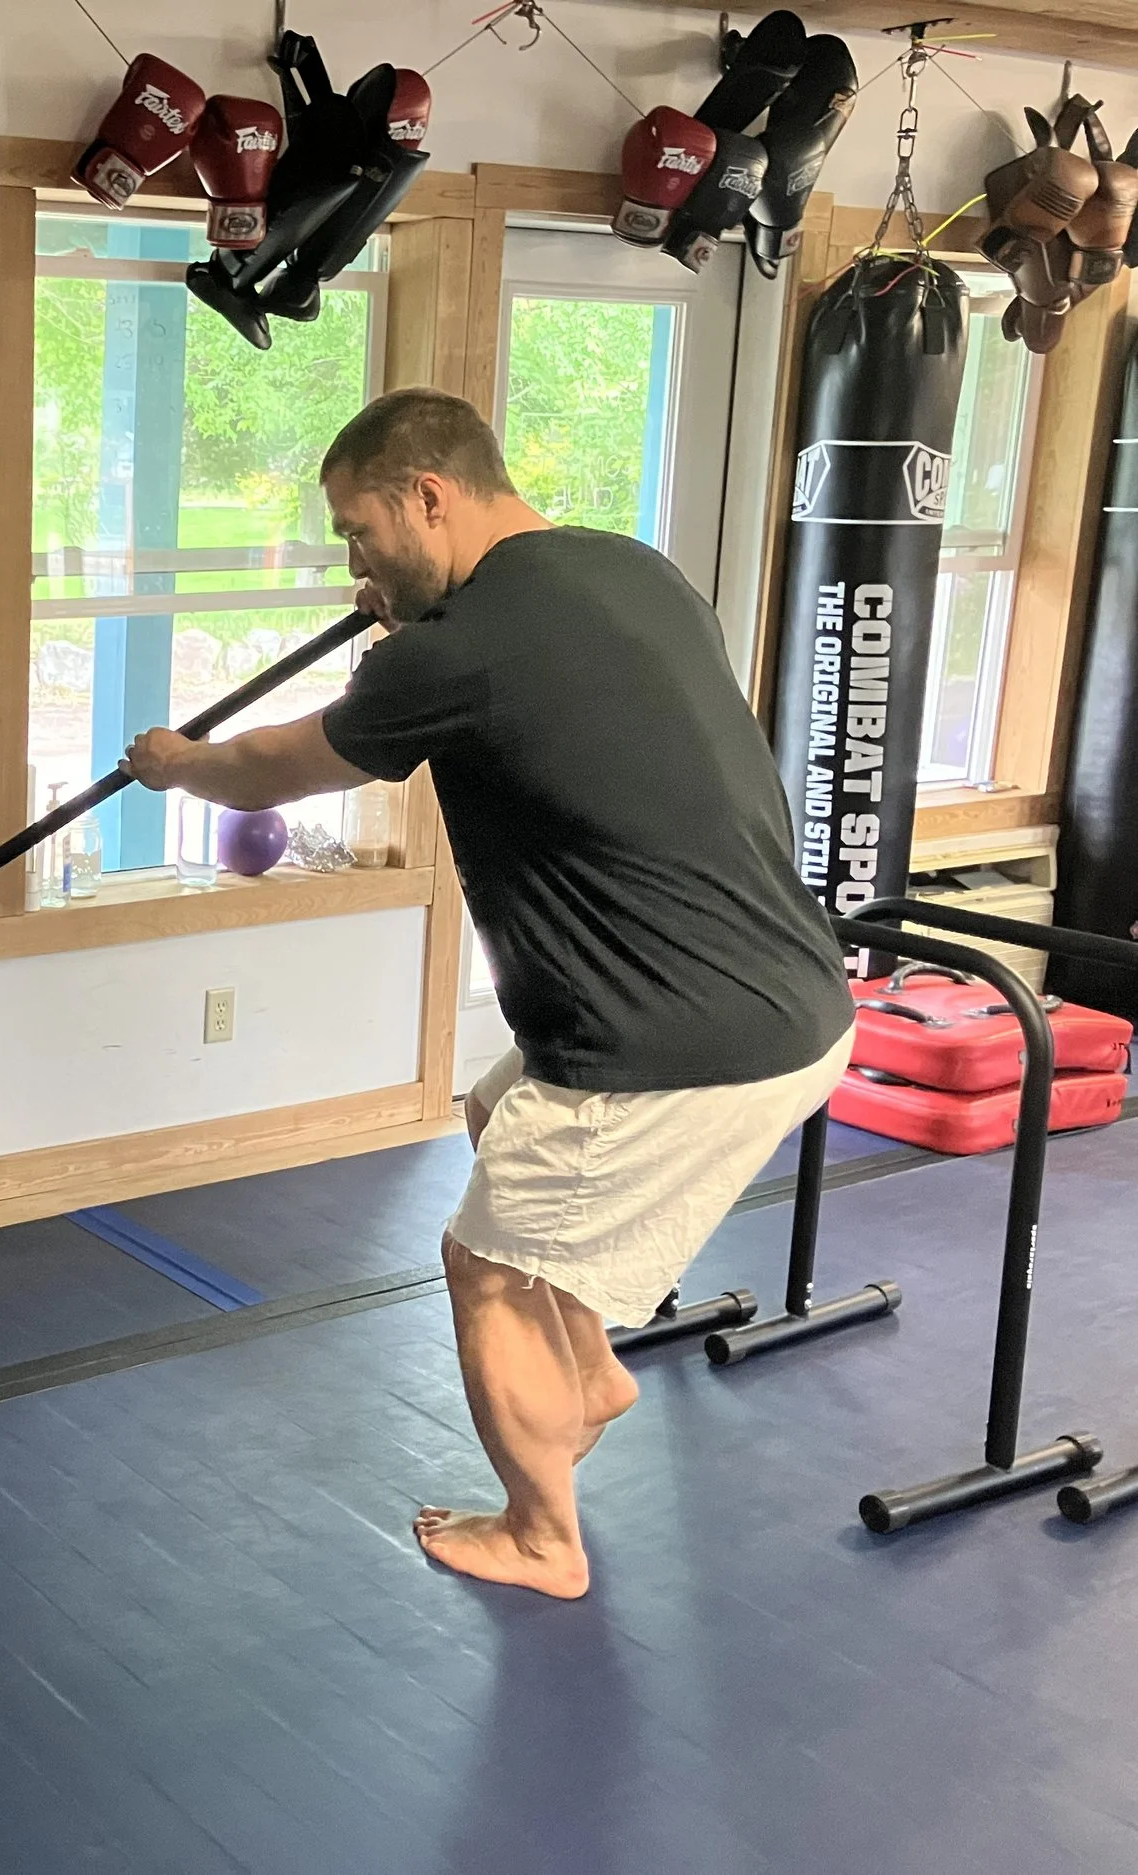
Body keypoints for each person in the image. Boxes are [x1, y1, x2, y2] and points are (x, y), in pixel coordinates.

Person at [128, 389, 854, 1600]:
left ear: (429, 494)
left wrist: (175, 763)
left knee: (484, 1268)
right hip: (790, 995)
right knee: (493, 1110)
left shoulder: (451, 655)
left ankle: (541, 1538)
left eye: (362, 533)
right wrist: (409, 628)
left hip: (672, 1041)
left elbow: (265, 776)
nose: (354, 562)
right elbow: (547, 698)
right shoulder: (628, 570)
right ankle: (591, 1378)